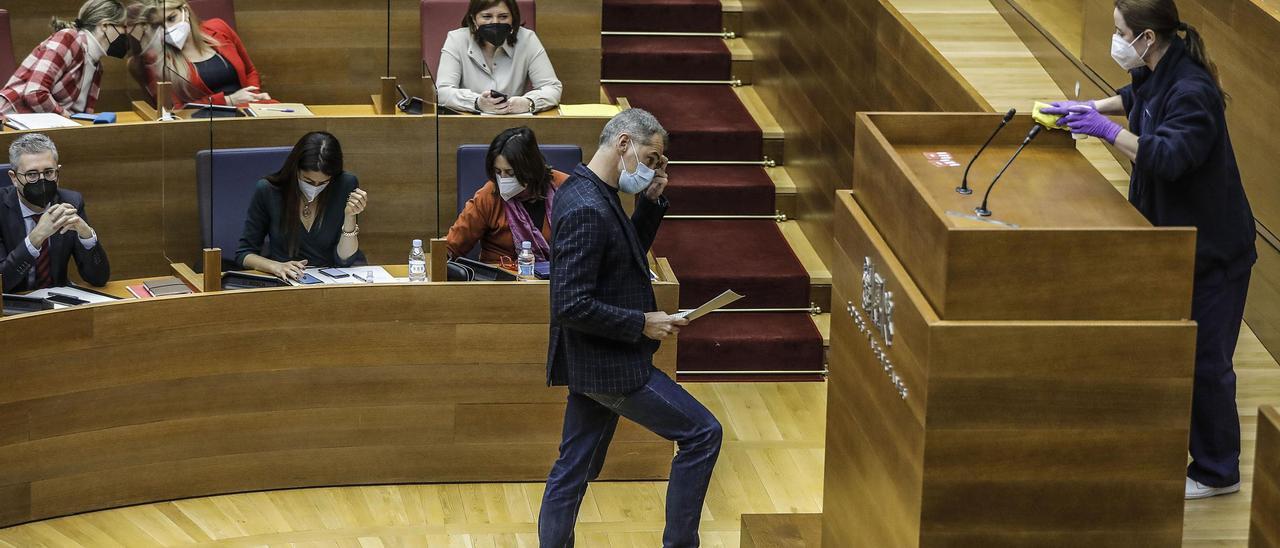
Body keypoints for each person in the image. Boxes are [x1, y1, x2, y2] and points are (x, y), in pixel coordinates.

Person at [1041, 0, 1256, 500]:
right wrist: (1092, 108)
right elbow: (1135, 95)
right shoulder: (1161, 67)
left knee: (1207, 362)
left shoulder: (1193, 91)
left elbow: (1168, 156)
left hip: (1214, 253)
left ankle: (1217, 471)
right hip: (1171, 244)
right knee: (1169, 351)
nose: (1115, 40)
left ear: (1147, 38)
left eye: (1120, 32)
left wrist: (1108, 133)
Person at [539, 108, 721, 547]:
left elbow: (621, 256)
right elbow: (571, 304)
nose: (655, 168)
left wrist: (651, 204)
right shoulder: (586, 206)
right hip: (610, 365)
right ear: (623, 144)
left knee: (576, 467)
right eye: (653, 157)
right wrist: (643, 323)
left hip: (595, 360)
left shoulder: (593, 191)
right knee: (702, 434)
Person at [236, 132, 369, 281]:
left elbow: (345, 260)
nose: (315, 187)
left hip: (334, 280)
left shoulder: (345, 184)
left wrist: (350, 216)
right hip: (287, 280)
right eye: (308, 181)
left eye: (323, 182)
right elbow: (244, 254)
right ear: (295, 169)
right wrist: (276, 266)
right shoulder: (268, 190)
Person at [1, 133, 109, 292]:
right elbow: (2, 281)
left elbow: (98, 279)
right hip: (10, 305)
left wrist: (87, 237)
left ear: (58, 172)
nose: (42, 180)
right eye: (32, 175)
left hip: (56, 303)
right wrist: (36, 238)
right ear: (14, 177)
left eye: (48, 172)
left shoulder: (71, 202)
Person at [446, 126, 569, 263]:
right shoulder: (489, 195)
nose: (502, 179)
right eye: (498, 172)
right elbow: (451, 247)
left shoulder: (565, 187)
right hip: (500, 279)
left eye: (510, 173)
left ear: (530, 168)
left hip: (557, 279)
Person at [128, 0, 271, 108]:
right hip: (208, 122)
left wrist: (255, 97)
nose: (168, 28)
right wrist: (229, 101)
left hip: (252, 109)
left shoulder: (218, 28)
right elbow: (175, 111)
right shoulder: (156, 61)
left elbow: (250, 71)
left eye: (171, 18)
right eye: (158, 25)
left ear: (185, 11)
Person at [0, 0, 132, 116]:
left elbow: (81, 116)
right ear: (105, 25)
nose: (126, 34)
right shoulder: (69, 38)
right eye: (124, 27)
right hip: (11, 119)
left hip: (45, 130)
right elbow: (35, 93)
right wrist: (66, 117)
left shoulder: (96, 67)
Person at [436, 0, 563, 115]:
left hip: (514, 124)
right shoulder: (456, 39)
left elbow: (552, 88)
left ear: (513, 19)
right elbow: (441, 92)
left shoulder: (528, 39)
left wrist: (528, 103)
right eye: (487, 16)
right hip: (468, 123)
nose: (495, 22)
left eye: (503, 17)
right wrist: (477, 103)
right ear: (473, 19)